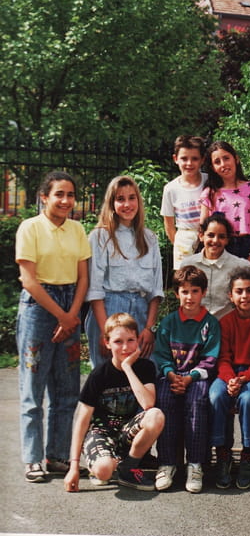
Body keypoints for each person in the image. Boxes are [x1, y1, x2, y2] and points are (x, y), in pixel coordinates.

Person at [15, 171, 91, 483]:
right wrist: (62, 316)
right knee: (33, 388)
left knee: (67, 389)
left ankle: (58, 455)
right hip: (39, 308)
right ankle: (33, 459)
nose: (65, 200)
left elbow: (83, 278)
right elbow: (28, 280)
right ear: (44, 197)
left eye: (70, 195)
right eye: (59, 194)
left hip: (70, 304)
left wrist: (72, 315)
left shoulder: (77, 229)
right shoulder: (30, 228)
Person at [64, 313, 164, 492]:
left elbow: (148, 404)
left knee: (156, 415)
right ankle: (101, 463)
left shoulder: (145, 367)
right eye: (118, 341)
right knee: (104, 472)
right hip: (101, 433)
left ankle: (128, 467)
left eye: (131, 340)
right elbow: (82, 421)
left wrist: (127, 368)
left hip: (126, 432)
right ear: (107, 343)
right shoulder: (99, 375)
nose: (125, 347)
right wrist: (74, 467)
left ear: (138, 340)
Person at [153, 266, 220, 493]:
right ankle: (167, 463)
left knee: (197, 402)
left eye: (194, 291)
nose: (189, 297)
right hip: (171, 376)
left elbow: (209, 360)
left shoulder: (210, 324)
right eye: (184, 292)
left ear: (203, 292)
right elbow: (162, 355)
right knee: (164, 400)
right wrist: (172, 375)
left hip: (197, 377)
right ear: (176, 294)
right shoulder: (168, 322)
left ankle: (195, 464)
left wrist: (189, 378)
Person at [85, 175, 163, 368]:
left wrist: (149, 328)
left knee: (144, 371)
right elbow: (94, 289)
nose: (127, 204)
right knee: (108, 373)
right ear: (112, 204)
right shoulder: (100, 237)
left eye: (131, 198)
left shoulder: (149, 238)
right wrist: (106, 332)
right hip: (109, 311)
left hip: (141, 312)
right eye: (120, 199)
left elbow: (156, 290)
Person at [210, 268, 250, 490]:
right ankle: (222, 452)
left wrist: (243, 379)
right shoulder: (225, 322)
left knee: (248, 399)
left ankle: (247, 452)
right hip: (228, 373)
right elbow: (222, 358)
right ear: (230, 295)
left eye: (249, 291)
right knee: (216, 396)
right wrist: (230, 380)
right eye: (239, 291)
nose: (244, 296)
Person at [182, 213, 250, 320]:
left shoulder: (240, 266)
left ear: (227, 240)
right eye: (211, 235)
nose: (215, 240)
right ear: (201, 236)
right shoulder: (188, 265)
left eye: (221, 237)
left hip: (226, 325)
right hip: (195, 324)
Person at [199, 140, 250, 263]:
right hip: (220, 246)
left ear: (236, 159)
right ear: (213, 168)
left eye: (226, 158)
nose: (223, 164)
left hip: (247, 245)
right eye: (217, 162)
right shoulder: (209, 193)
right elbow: (203, 226)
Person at [161, 135, 207, 269]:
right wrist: (180, 245)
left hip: (208, 239)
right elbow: (169, 225)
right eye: (184, 158)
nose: (189, 163)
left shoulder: (209, 182)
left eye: (195, 159)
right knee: (186, 278)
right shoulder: (170, 189)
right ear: (175, 159)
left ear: (202, 160)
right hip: (184, 240)